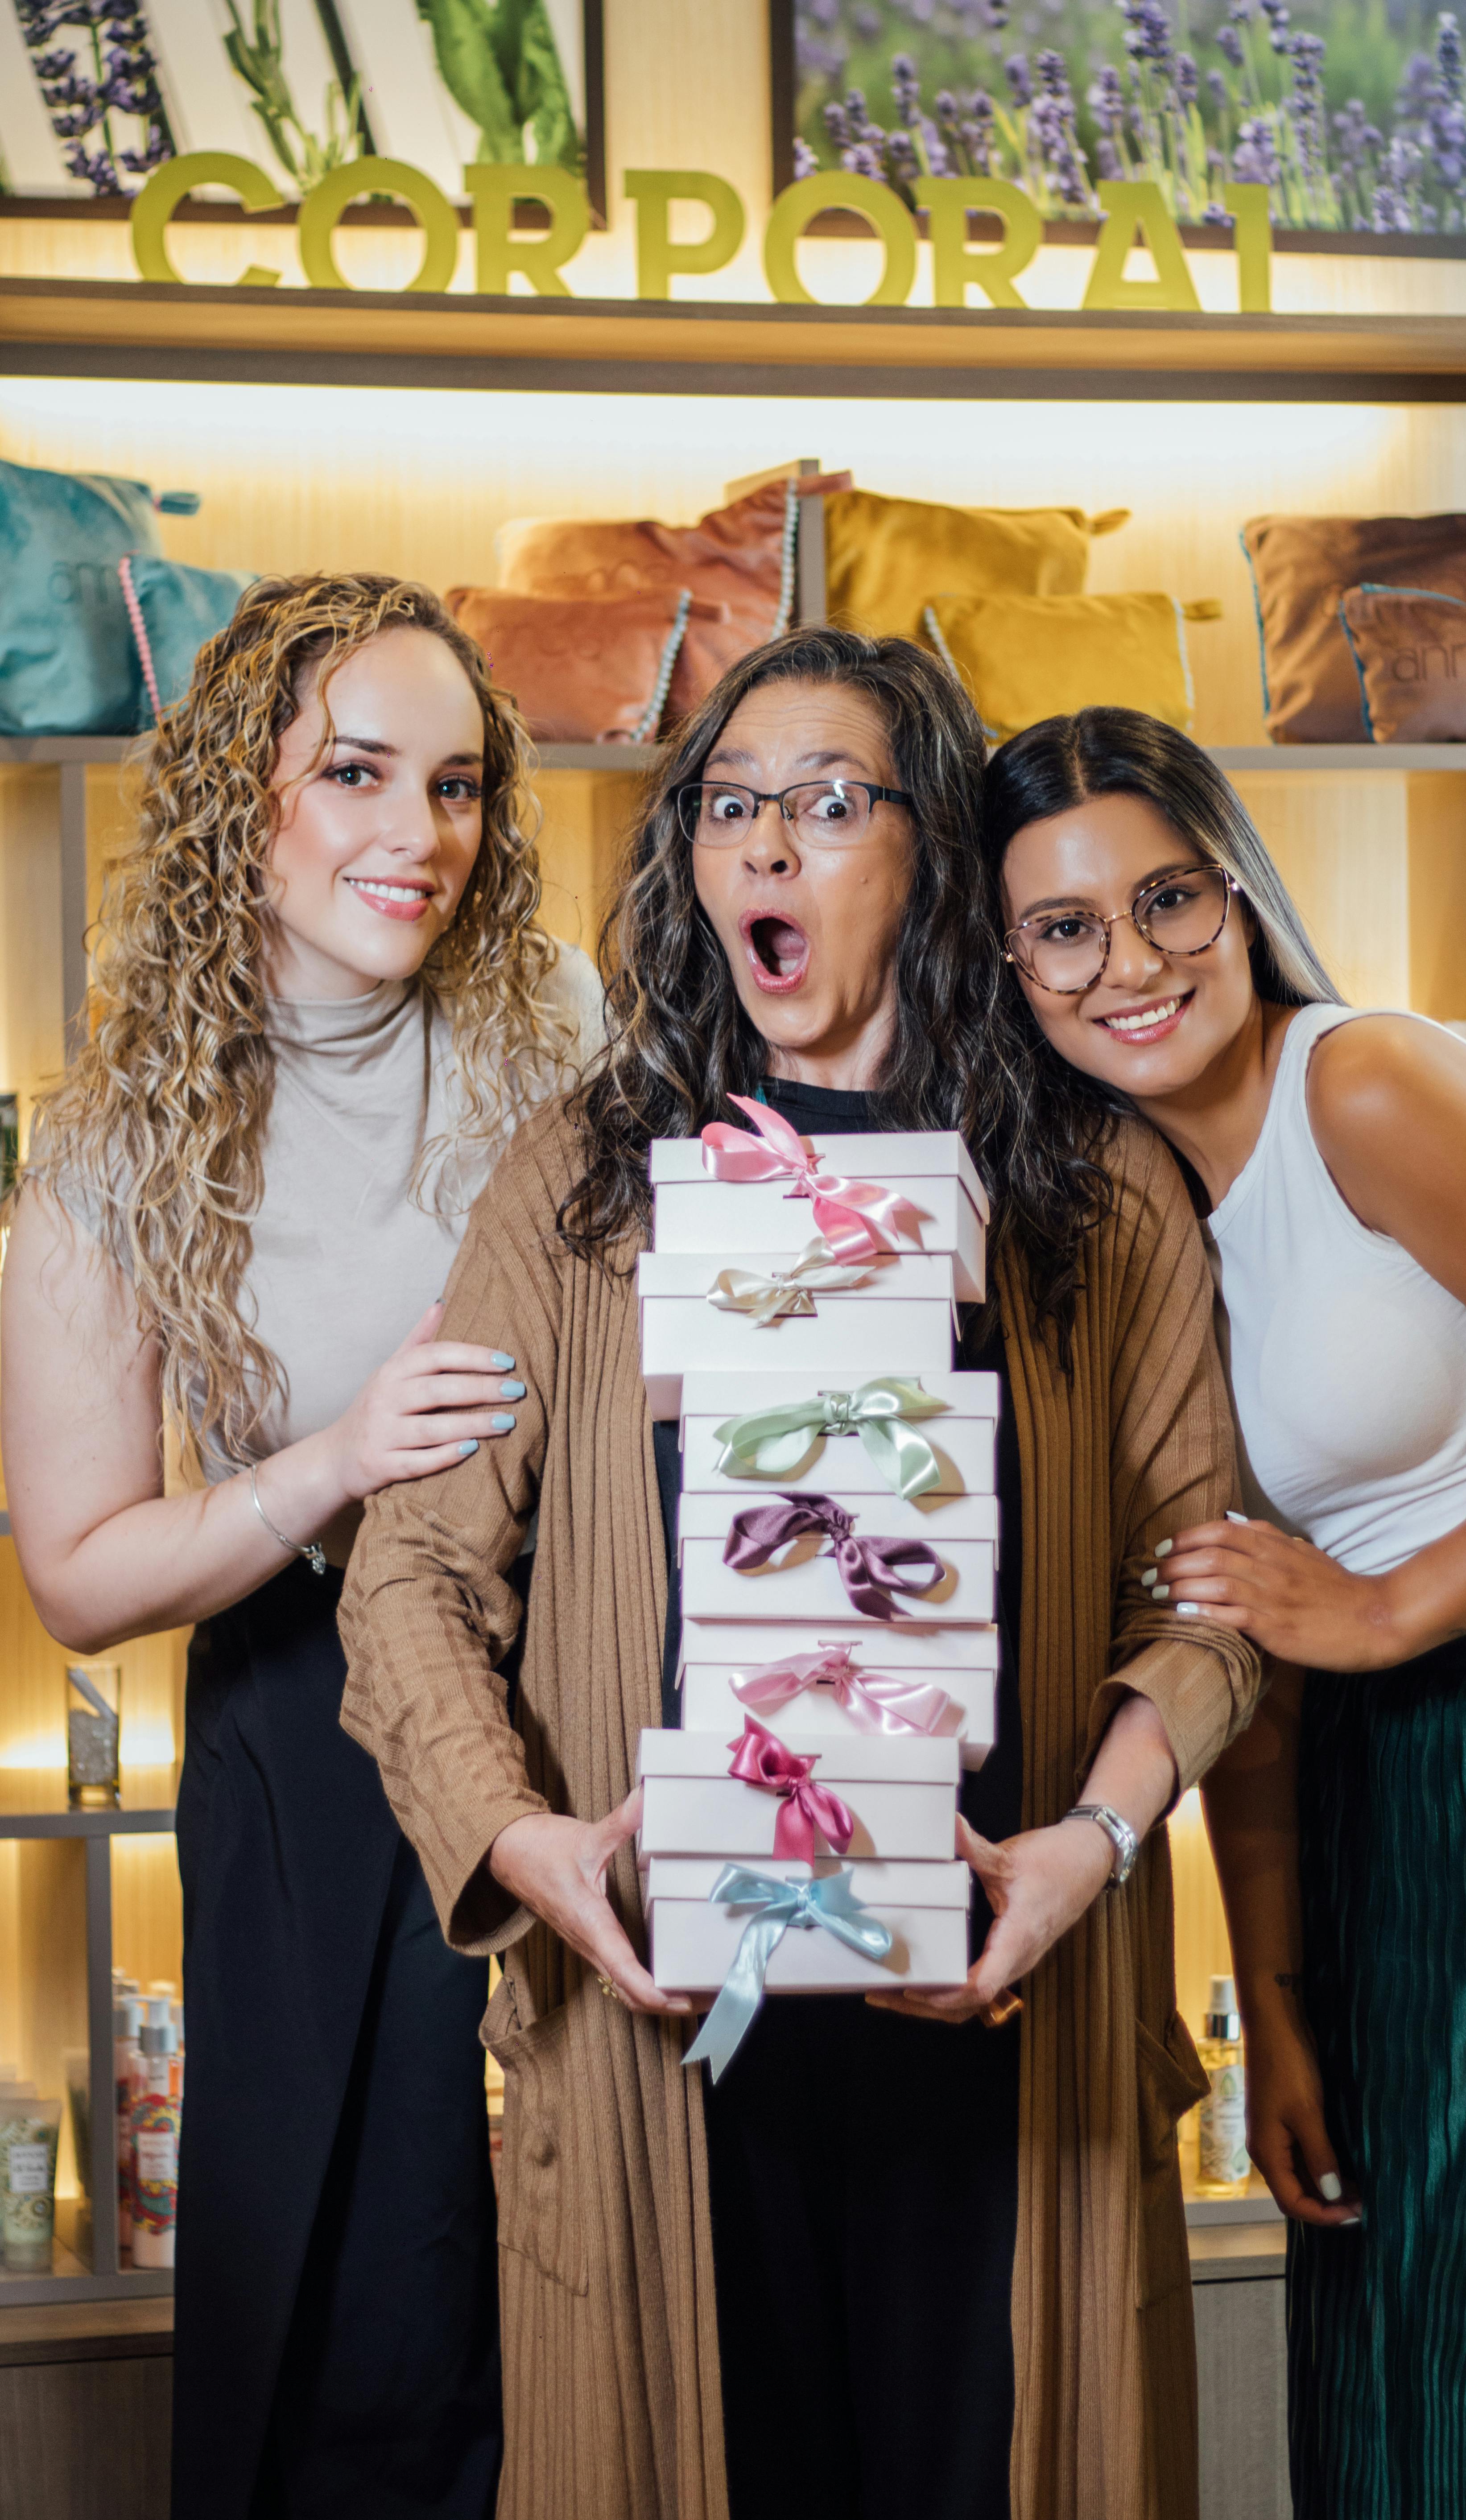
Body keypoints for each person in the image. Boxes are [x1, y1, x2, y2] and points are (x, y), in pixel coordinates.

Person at [337, 625, 1262, 2520]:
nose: (766, 844)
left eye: (832, 804)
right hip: (673, 2033)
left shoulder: (1088, 1185)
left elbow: (1214, 1594)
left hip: (1011, 2015)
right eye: (730, 804)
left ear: (934, 858)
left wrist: (1084, 1853)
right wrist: (529, 1851)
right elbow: (411, 1579)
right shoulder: (586, 1185)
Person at [980, 703, 1466, 2520]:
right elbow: (1249, 1638)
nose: (1129, 963)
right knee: (1402, 2339)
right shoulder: (1131, 1210)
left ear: (1241, 890)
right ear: (1006, 969)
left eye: (1169, 900)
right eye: (1064, 929)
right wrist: (1276, 1999)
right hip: (1393, 1789)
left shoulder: (1362, 1082)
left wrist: (1386, 1610)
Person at [0, 573, 604, 2520]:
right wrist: (331, 1462)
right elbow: (80, 1578)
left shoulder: (560, 1024)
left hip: (585, 1676)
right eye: (354, 774)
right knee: (368, 2295)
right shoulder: (118, 1147)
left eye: (455, 785)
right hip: (315, 1732)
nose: (417, 836)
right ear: (234, 801)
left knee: (597, 2248)